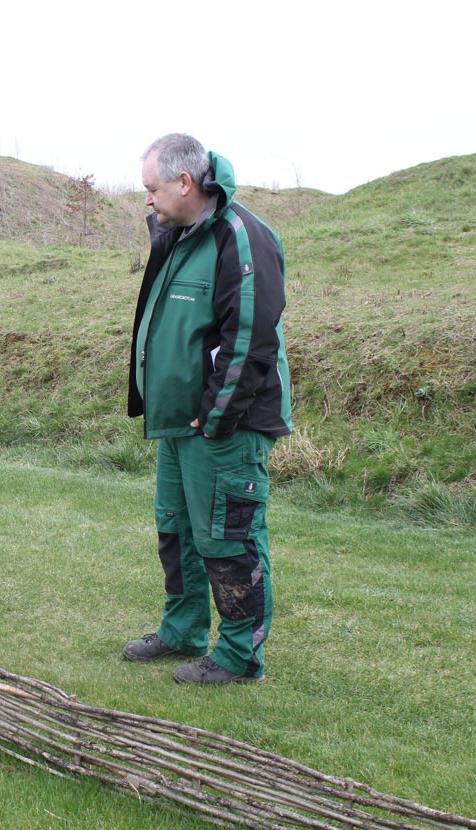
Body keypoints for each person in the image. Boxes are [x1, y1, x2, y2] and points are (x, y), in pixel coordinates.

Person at [121, 134, 292, 684]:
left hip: (225, 425)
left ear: (184, 183)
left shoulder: (241, 237)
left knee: (228, 536)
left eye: (152, 188)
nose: (147, 199)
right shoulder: (179, 235)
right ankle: (184, 629)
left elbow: (250, 338)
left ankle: (240, 657)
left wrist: (217, 415)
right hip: (179, 423)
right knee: (176, 528)